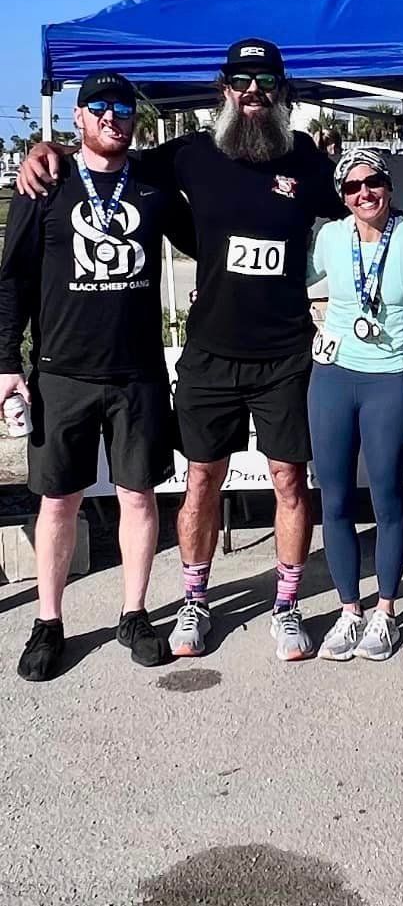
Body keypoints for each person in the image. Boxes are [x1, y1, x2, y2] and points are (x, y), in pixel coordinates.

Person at [20, 40, 345, 663]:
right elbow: (107, 157)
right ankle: (194, 601)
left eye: (265, 81)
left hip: (284, 354)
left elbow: (364, 203)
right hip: (210, 356)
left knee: (288, 480)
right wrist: (48, 150)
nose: (253, 92)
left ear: (282, 91)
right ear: (224, 89)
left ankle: (286, 607)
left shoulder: (304, 156)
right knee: (202, 478)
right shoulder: (192, 153)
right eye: (241, 81)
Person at [0, 73, 195, 680]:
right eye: (100, 106)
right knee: (58, 501)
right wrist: (6, 364)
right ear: (79, 116)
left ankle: (133, 614)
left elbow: (208, 242)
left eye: (123, 108)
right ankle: (48, 622)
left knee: (139, 495)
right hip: (62, 373)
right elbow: (13, 280)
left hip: (137, 373)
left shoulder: (152, 186)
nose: (113, 116)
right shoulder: (45, 184)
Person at [307, 146, 403, 662]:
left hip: (387, 378)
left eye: (373, 183)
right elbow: (297, 281)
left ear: (389, 186)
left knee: (387, 500)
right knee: (335, 501)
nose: (364, 194)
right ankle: (349, 610)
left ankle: (385, 612)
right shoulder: (329, 237)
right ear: (342, 196)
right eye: (352, 187)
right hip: (332, 376)